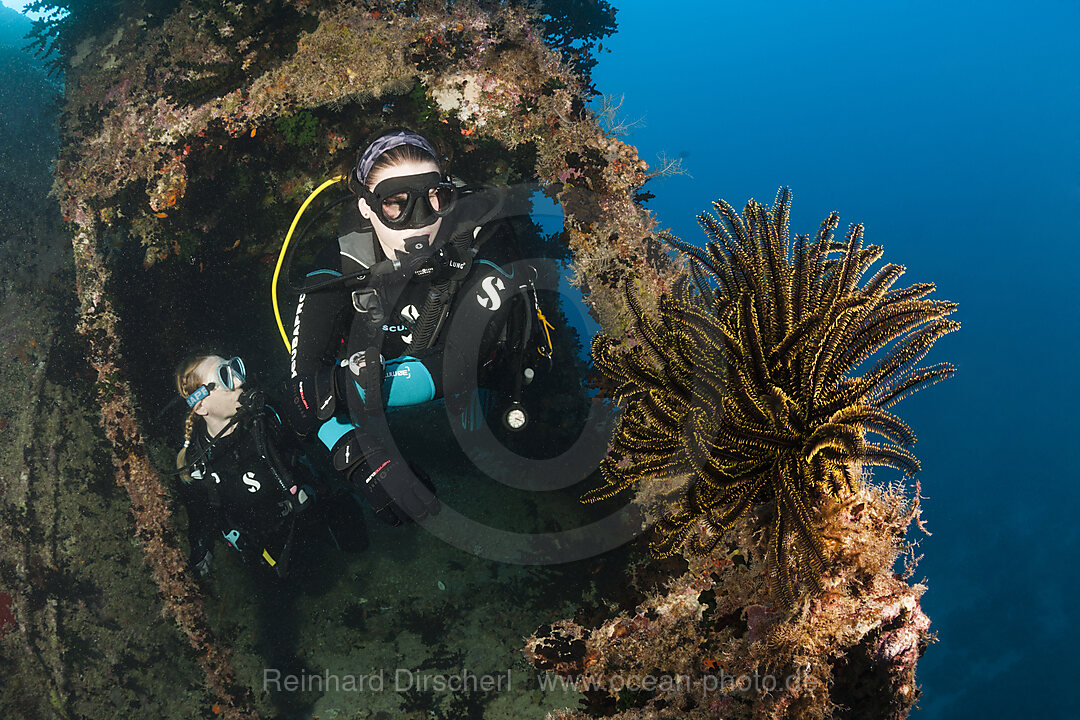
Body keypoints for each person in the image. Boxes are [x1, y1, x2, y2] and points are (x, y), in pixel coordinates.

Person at [284, 128, 550, 526]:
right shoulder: (338, 265)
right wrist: (356, 456)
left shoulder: (485, 242)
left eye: (434, 199)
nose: (419, 223)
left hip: (483, 386)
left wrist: (344, 389)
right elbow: (301, 395)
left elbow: (466, 358)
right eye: (395, 204)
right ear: (365, 208)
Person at [174, 353, 365, 580]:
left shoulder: (267, 416)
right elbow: (199, 514)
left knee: (357, 543)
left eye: (235, 368)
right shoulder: (198, 462)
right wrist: (200, 548)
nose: (239, 381)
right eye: (225, 376)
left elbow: (308, 417)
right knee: (304, 582)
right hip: (266, 542)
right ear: (200, 406)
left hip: (310, 510)